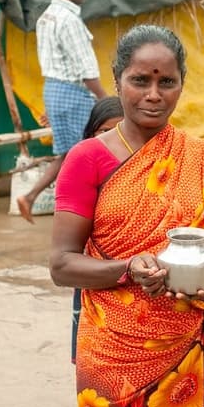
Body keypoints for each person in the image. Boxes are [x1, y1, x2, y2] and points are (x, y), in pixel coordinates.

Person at [49, 25, 204, 407]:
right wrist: (128, 268)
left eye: (167, 82)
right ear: (117, 81)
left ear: (181, 84)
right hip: (114, 355)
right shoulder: (86, 159)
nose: (154, 95)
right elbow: (61, 265)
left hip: (190, 345)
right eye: (140, 80)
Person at [16, 0, 109, 224]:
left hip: (56, 91)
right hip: (73, 94)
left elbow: (53, 63)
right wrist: (107, 100)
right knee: (88, 152)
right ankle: (84, 208)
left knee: (71, 154)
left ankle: (33, 197)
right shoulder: (69, 20)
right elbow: (86, 69)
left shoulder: (46, 17)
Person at [68, 96, 124, 365]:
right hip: (94, 271)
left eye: (121, 131)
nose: (113, 139)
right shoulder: (84, 168)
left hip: (139, 276)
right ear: (91, 134)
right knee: (93, 355)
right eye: (105, 131)